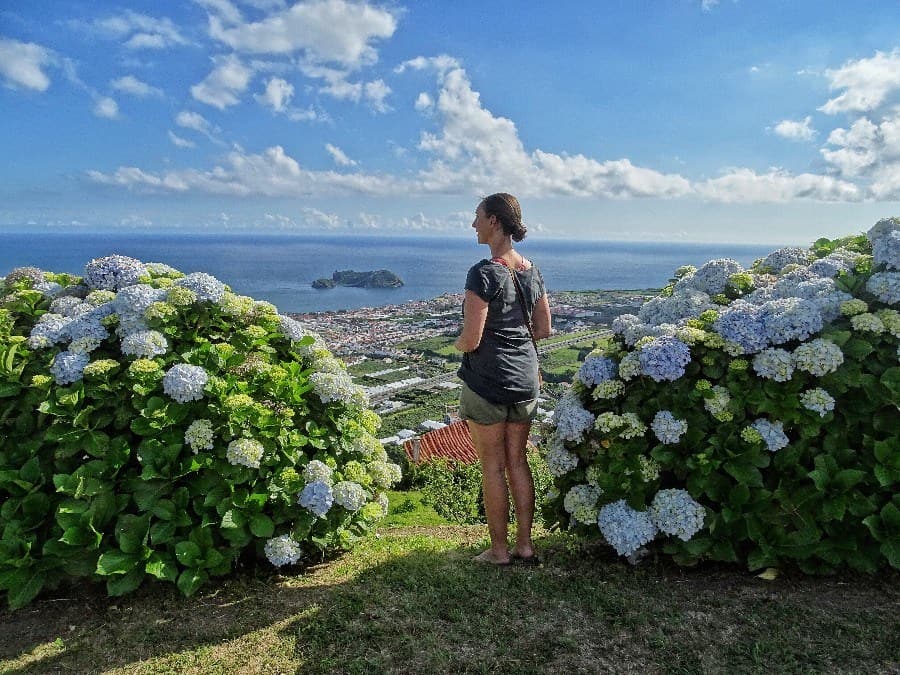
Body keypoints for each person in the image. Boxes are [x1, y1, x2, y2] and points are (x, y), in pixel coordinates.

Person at [453, 193, 552, 565]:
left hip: (489, 381)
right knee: (518, 462)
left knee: (492, 466)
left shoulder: (483, 271)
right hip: (526, 379)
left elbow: (471, 338)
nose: (473, 223)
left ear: (494, 221)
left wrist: (456, 344)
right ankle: (525, 545)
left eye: (477, 216)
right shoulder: (532, 270)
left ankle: (498, 551)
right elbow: (543, 328)